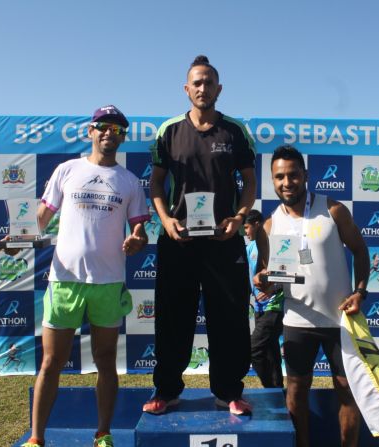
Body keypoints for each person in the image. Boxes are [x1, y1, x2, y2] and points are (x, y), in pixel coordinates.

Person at [14, 105, 150, 447]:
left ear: (123, 137)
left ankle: (103, 434)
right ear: (91, 131)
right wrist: (20, 238)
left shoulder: (130, 181)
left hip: (108, 283)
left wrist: (138, 240)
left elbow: (140, 230)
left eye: (118, 129)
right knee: (51, 361)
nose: (109, 133)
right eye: (103, 126)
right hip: (64, 280)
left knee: (106, 361)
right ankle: (36, 438)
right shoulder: (67, 170)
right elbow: (42, 216)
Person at [144, 55, 257, 416]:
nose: (203, 88)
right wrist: (165, 219)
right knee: (172, 316)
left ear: (218, 88)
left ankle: (229, 391)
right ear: (186, 88)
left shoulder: (235, 131)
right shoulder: (169, 131)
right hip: (180, 240)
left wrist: (239, 217)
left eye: (209, 82)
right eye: (197, 82)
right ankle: (167, 390)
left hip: (223, 240)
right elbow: (157, 184)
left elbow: (250, 183)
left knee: (230, 317)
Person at [254, 145, 370, 447]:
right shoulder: (269, 225)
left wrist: (360, 292)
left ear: (305, 176)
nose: (286, 182)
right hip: (297, 321)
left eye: (293, 175)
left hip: (340, 321)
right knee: (295, 392)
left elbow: (360, 250)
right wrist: (264, 283)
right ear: (272, 179)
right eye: (279, 177)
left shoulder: (333, 210)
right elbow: (269, 277)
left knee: (348, 391)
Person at [245, 209, 284, 388]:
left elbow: (288, 273)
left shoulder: (274, 244)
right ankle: (277, 390)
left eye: (247, 227)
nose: (245, 232)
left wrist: (274, 287)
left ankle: (269, 388)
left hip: (274, 306)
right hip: (259, 307)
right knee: (271, 350)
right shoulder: (248, 247)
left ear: (257, 225)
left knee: (254, 350)